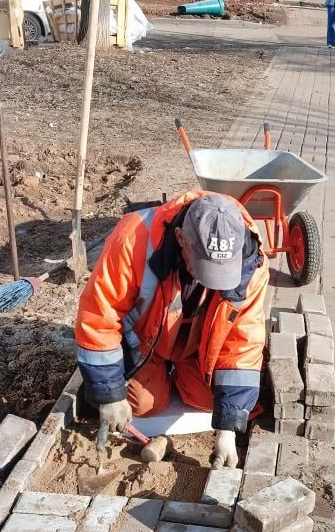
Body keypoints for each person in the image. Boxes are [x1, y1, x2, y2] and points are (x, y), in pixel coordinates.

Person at [75, 190, 269, 469]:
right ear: (180, 238)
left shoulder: (252, 266)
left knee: (213, 403)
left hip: (196, 348)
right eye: (204, 267)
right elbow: (98, 318)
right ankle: (144, 375)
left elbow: (243, 344)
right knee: (143, 405)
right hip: (143, 342)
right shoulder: (132, 239)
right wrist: (109, 394)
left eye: (222, 270)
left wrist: (227, 430)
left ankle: (177, 374)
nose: (212, 282)